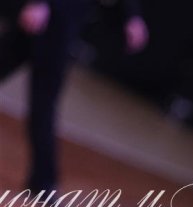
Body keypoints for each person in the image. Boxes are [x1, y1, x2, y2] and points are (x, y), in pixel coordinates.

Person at [0, 0, 147, 191]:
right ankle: (43, 181)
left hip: (66, 16)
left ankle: (43, 180)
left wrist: (131, 15)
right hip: (55, 14)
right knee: (44, 98)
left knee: (40, 92)